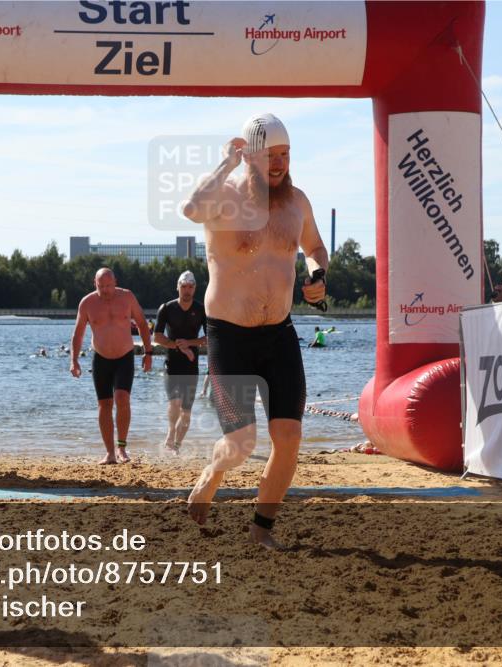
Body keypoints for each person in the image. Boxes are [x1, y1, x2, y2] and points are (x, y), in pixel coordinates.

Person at [181, 112, 329, 549]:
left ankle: (261, 529)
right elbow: (190, 210)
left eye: (285, 155)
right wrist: (226, 163)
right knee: (241, 443)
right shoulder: (223, 198)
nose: (280, 164)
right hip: (230, 335)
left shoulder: (296, 201)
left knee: (289, 438)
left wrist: (318, 275)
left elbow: (316, 247)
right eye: (271, 156)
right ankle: (212, 474)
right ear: (250, 157)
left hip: (280, 333)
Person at [71, 268, 153, 464]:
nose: (105, 290)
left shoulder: (127, 297)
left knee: (122, 398)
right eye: (101, 286)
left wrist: (147, 353)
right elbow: (78, 333)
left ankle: (122, 448)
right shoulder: (87, 303)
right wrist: (74, 360)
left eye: (108, 285)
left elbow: (142, 324)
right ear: (95, 283)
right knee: (104, 404)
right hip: (101, 358)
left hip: (124, 356)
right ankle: (109, 453)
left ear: (115, 282)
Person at [154, 270, 207, 454]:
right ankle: (170, 434)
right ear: (178, 287)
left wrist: (190, 343)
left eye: (190, 287)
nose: (187, 290)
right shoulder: (167, 308)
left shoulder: (201, 309)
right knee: (174, 403)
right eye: (183, 286)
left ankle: (176, 446)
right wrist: (176, 346)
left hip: (191, 366)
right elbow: (157, 336)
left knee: (186, 411)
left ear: (195, 289)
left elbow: (210, 337)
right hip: (172, 364)